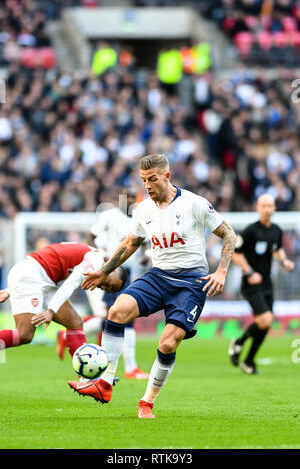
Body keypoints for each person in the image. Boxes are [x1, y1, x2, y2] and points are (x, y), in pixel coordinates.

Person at [68, 153, 237, 418]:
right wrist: (104, 272)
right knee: (117, 311)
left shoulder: (195, 203)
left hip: (191, 283)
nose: (147, 185)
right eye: (143, 180)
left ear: (167, 176)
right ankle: (105, 383)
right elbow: (129, 245)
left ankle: (146, 402)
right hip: (158, 277)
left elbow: (228, 233)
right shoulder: (143, 209)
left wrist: (222, 271)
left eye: (152, 179)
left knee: (168, 343)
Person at [58, 188, 150, 380]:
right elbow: (91, 236)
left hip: (129, 274)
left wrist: (144, 257)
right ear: (121, 199)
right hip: (111, 272)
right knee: (124, 316)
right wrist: (102, 256)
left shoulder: (139, 218)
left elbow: (143, 244)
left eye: (134, 198)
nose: (131, 200)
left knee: (114, 317)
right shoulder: (109, 215)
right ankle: (131, 368)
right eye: (128, 197)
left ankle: (69, 334)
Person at [0, 242, 127, 359]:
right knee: (24, 335)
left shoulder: (97, 258)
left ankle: (87, 380)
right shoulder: (95, 260)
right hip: (32, 277)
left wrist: (9, 290)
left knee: (75, 322)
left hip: (42, 279)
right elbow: (70, 284)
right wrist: (50, 311)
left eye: (108, 289)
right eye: (109, 283)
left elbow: (48, 260)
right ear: (113, 268)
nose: (103, 287)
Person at [228, 193, 295, 375]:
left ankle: (248, 361)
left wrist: (284, 261)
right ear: (258, 208)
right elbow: (237, 253)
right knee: (265, 320)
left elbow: (278, 250)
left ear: (274, 208)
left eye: (270, 206)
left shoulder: (276, 231)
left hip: (267, 282)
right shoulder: (250, 230)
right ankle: (239, 342)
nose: (267, 209)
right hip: (251, 283)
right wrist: (249, 272)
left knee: (266, 323)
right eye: (263, 206)